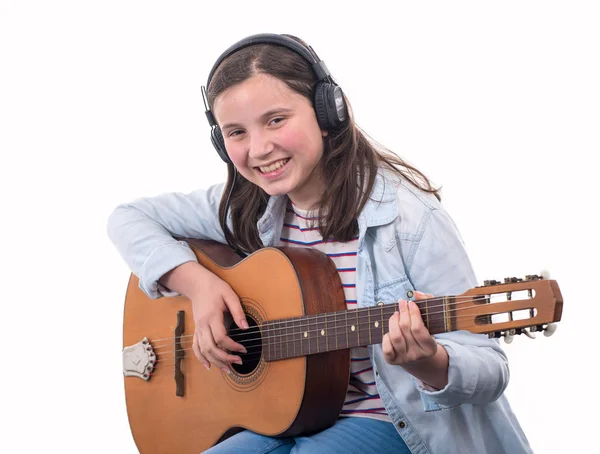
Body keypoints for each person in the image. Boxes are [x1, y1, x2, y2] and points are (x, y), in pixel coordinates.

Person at [107, 33, 532, 454]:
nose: (259, 148)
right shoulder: (246, 207)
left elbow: (489, 367)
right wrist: (199, 286)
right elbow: (128, 218)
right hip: (280, 416)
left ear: (329, 113)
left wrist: (430, 363)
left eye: (276, 120)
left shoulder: (411, 221)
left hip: (392, 422)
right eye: (236, 132)